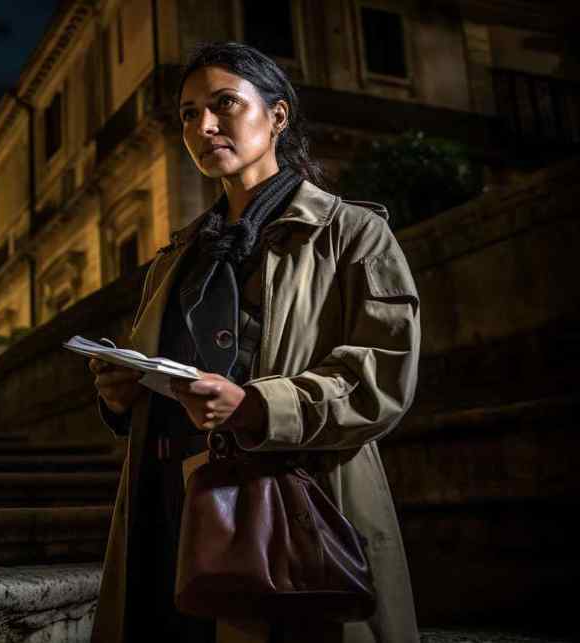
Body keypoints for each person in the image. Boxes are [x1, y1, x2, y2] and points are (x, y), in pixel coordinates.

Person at [89, 42, 421, 643]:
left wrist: (257, 405)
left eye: (224, 104)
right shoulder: (174, 259)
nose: (203, 126)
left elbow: (381, 375)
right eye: (189, 113)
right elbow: (165, 373)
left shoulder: (353, 234)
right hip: (168, 501)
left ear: (277, 115)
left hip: (293, 506)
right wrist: (123, 393)